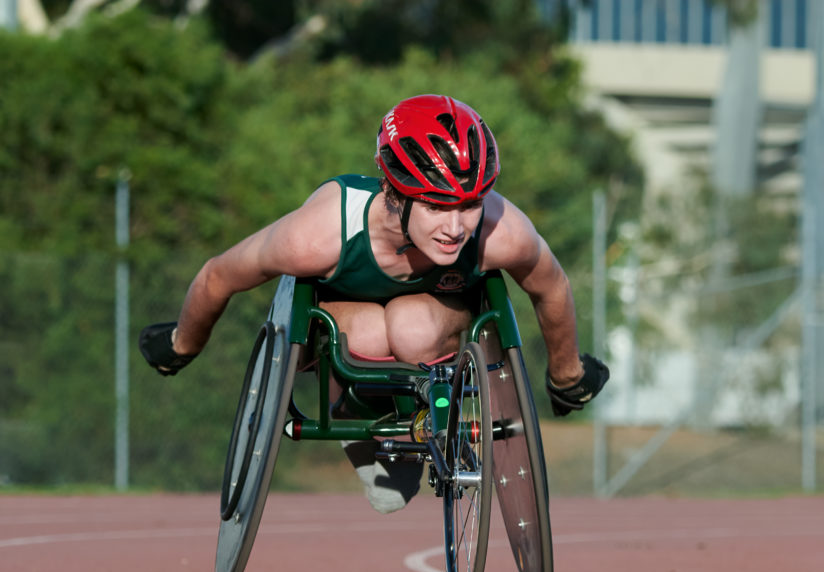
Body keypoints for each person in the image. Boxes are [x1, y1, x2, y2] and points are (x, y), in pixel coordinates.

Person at [140, 94, 608, 513]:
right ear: (392, 192)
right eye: (436, 206)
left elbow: (551, 285)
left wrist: (566, 374)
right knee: (367, 333)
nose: (456, 227)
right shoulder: (317, 234)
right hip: (343, 322)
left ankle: (411, 418)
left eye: (469, 204)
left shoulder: (499, 231)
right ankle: (357, 412)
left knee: (410, 325)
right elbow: (219, 274)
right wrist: (183, 343)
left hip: (433, 317)